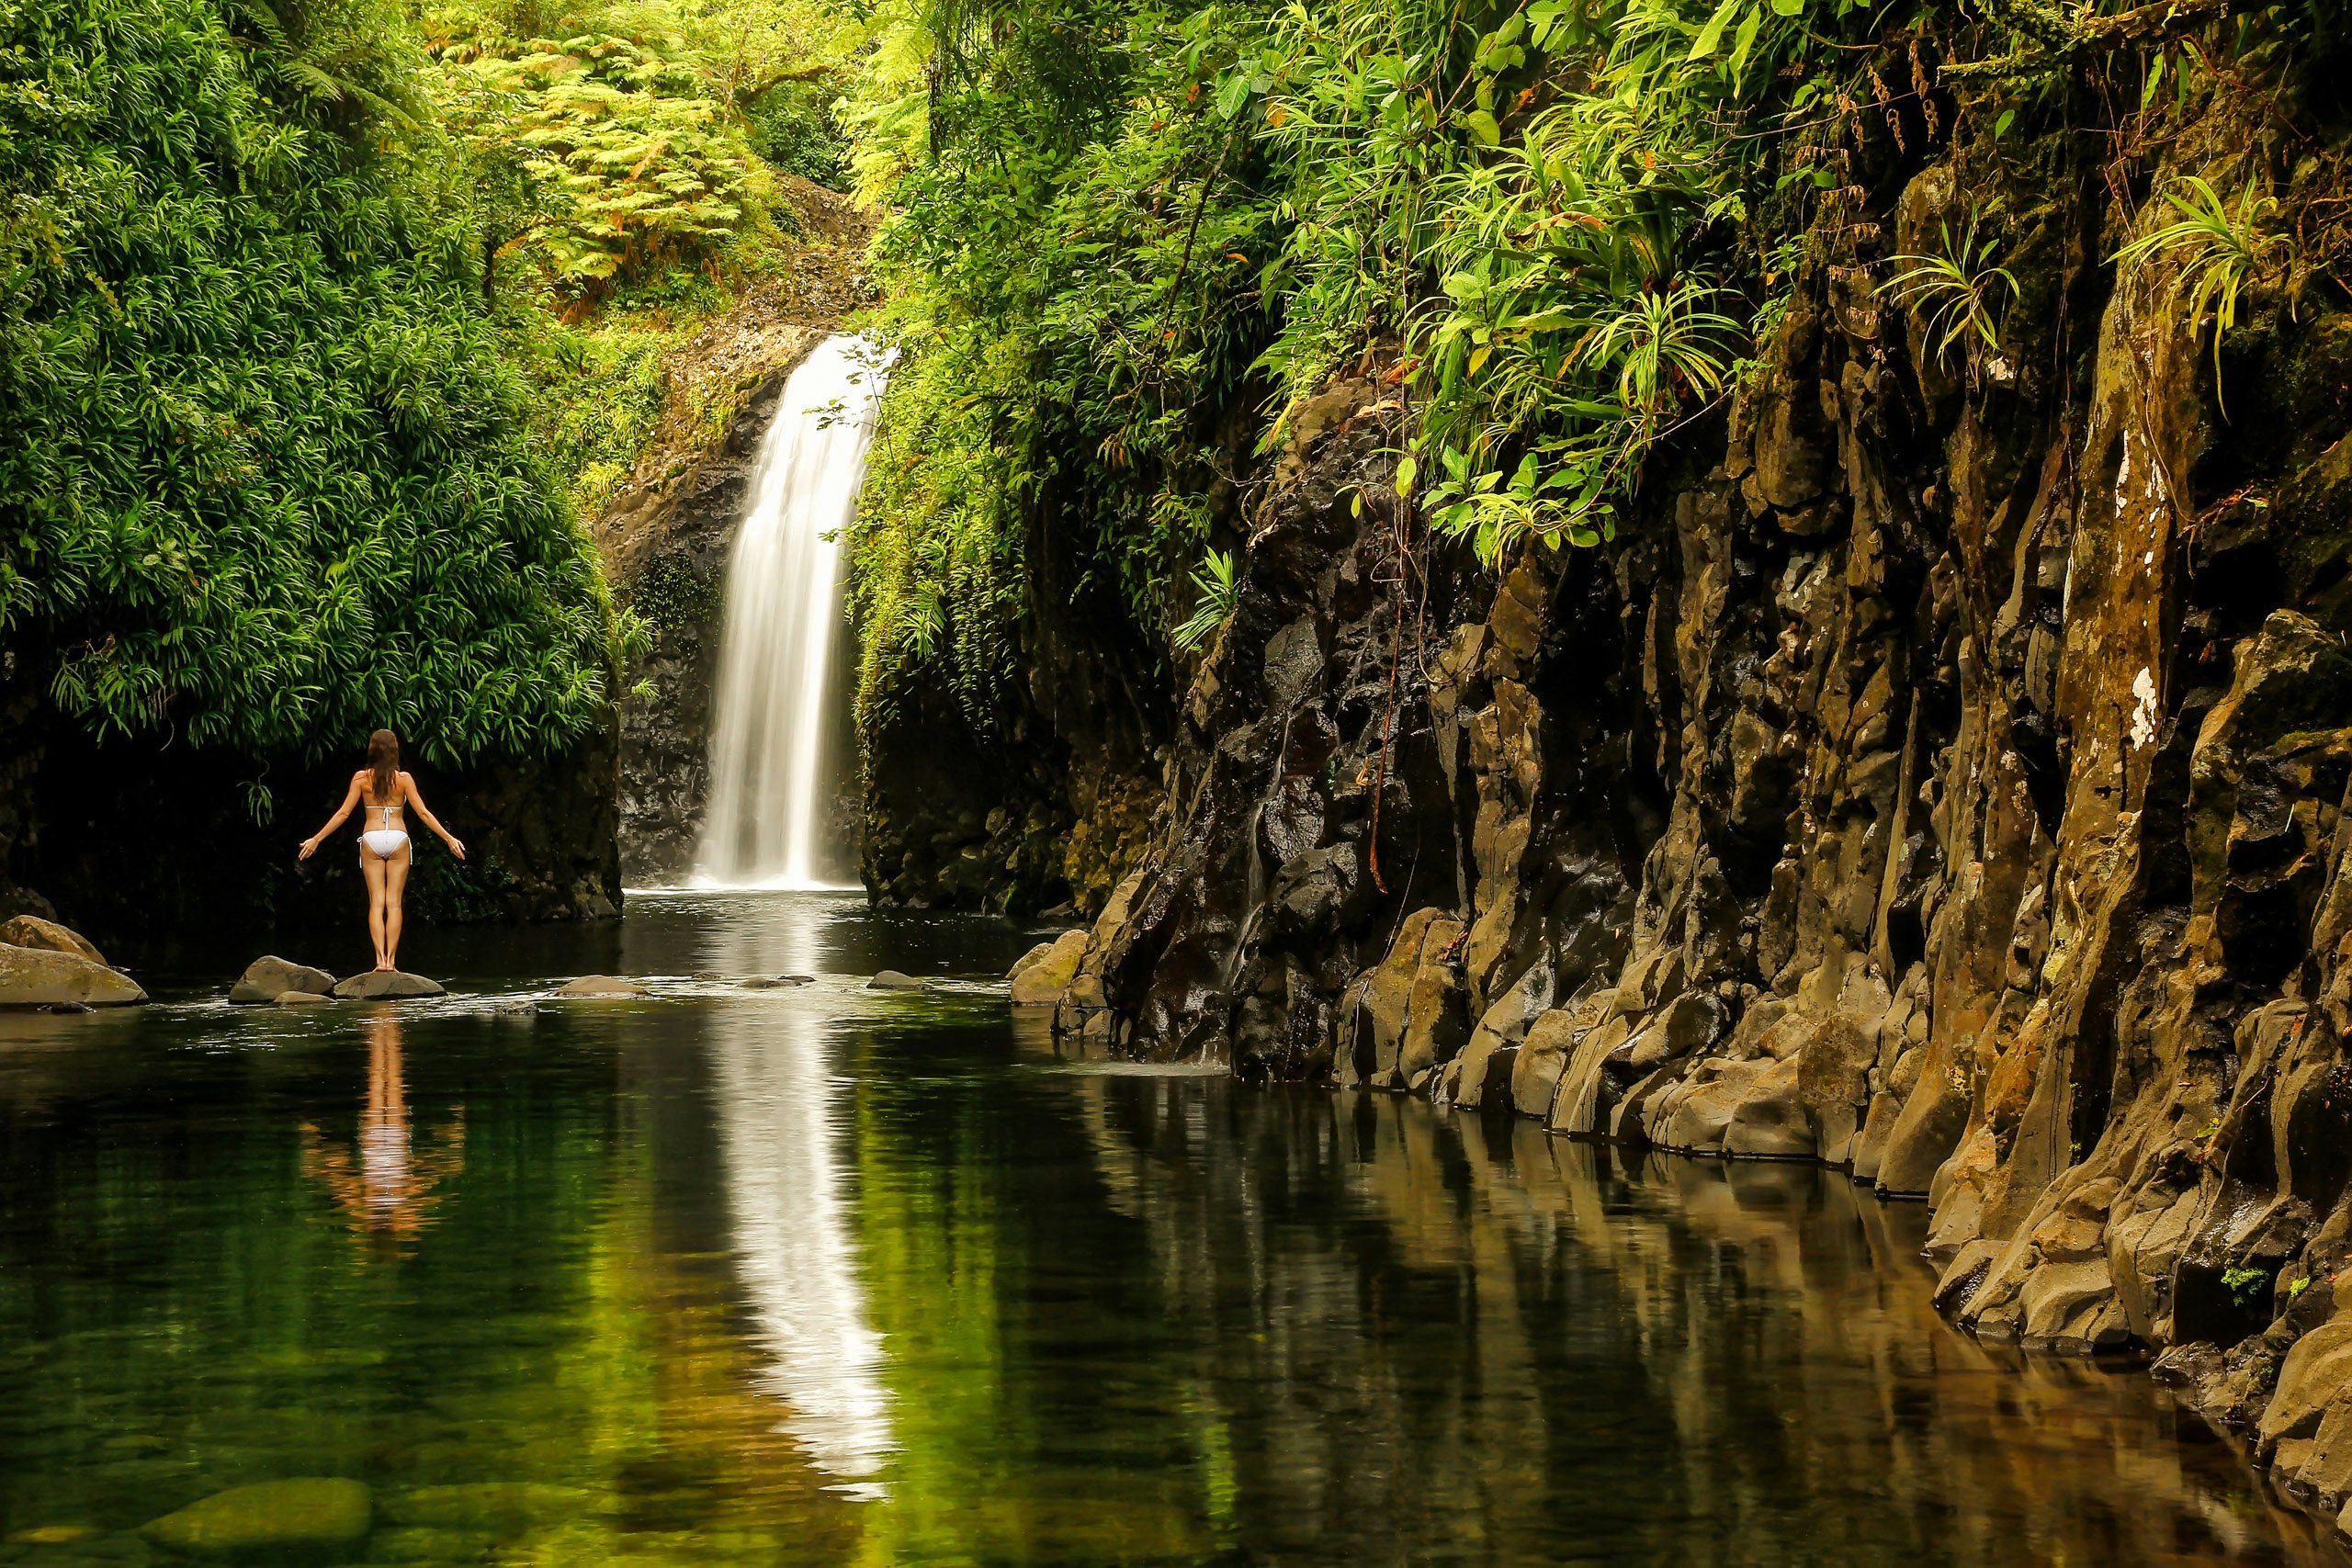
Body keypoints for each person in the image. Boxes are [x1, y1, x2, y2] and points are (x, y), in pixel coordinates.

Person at [299, 729, 466, 973]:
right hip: (398, 838)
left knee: (377, 903)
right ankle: (392, 961)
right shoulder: (405, 779)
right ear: (394, 750)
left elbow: (343, 813)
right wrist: (449, 838)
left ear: (372, 749)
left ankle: (379, 961)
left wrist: (317, 838)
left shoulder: (360, 778)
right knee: (394, 904)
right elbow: (423, 813)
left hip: (372, 838)